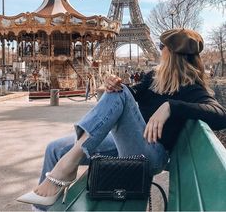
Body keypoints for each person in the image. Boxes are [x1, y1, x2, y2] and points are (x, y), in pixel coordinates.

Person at [17, 28, 226, 209]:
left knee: (119, 95)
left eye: (160, 45)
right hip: (131, 144)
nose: (159, 49)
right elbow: (131, 93)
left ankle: (66, 167)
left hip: (152, 155)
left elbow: (220, 116)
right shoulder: (153, 77)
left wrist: (171, 106)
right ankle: (42, 207)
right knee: (55, 148)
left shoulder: (193, 88)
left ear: (170, 52)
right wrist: (114, 84)